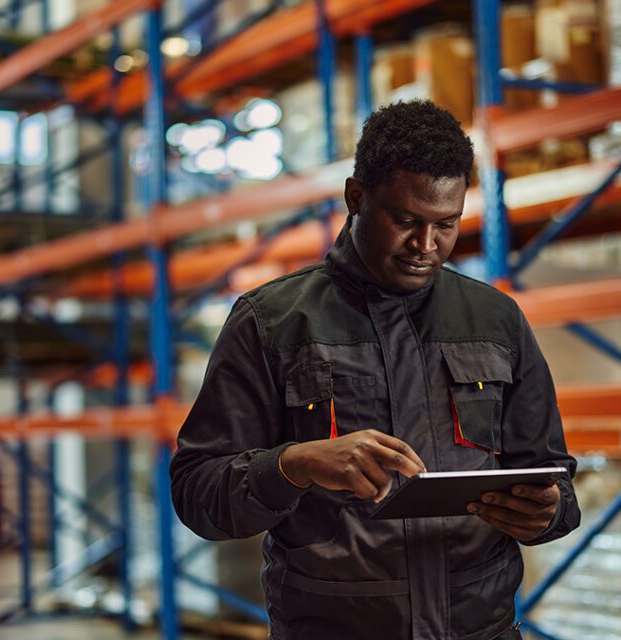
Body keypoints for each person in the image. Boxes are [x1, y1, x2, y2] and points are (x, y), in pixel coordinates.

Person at [170, 100, 580, 640]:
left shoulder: (495, 319)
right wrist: (295, 464)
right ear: (356, 198)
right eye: (406, 221)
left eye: (447, 225)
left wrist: (546, 512)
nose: (426, 247)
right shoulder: (272, 322)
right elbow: (199, 494)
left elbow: (552, 476)